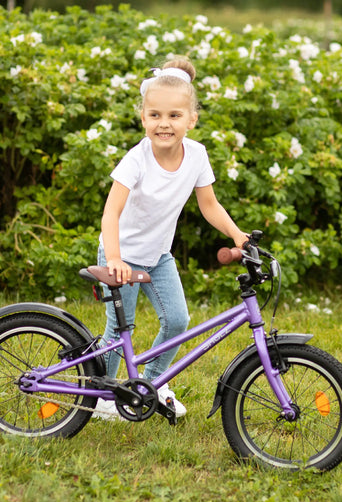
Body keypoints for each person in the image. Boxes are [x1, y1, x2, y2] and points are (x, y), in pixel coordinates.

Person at [93, 58, 247, 421]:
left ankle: (152, 383)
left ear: (191, 119)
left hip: (158, 255)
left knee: (177, 320)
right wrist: (114, 258)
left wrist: (237, 234)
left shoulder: (197, 155)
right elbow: (111, 213)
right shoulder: (137, 159)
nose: (164, 123)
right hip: (121, 254)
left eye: (175, 115)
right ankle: (101, 394)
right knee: (119, 328)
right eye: (155, 115)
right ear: (143, 118)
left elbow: (209, 205)